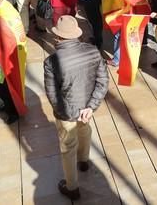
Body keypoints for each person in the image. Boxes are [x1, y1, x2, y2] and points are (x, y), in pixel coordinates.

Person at [44, 15, 108, 201]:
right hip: (87, 109)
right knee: (85, 129)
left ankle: (72, 187)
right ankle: (84, 161)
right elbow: (102, 82)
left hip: (67, 114)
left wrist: (69, 114)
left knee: (67, 147)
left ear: (58, 37)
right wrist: (90, 107)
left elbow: (53, 95)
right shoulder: (93, 52)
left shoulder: (51, 62)